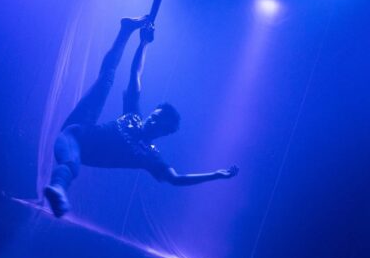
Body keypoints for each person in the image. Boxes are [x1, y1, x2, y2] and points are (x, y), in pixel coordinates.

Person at [44, 17, 239, 217]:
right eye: (153, 116)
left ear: (164, 132)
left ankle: (58, 189)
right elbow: (136, 73)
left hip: (78, 151)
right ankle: (126, 29)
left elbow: (176, 179)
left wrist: (215, 175)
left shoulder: (150, 156)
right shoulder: (133, 117)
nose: (151, 121)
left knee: (71, 165)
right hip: (76, 130)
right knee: (106, 79)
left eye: (157, 123)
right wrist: (144, 43)